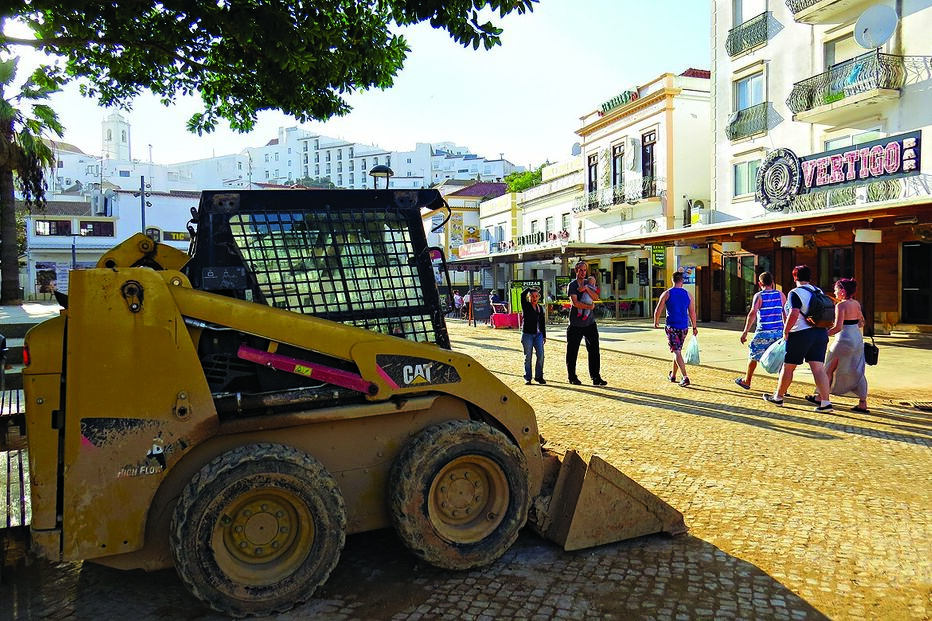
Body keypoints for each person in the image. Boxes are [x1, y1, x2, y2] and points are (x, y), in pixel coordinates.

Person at [763, 265, 833, 412]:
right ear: (810, 277)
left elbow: (794, 313)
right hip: (820, 332)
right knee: (818, 368)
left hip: (801, 333)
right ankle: (826, 402)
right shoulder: (818, 290)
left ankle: (778, 397)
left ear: (795, 277)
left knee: (788, 367)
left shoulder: (795, 293)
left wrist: (786, 330)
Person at [804, 278, 870, 413]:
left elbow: (838, 327)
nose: (834, 292)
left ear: (843, 291)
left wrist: (823, 334)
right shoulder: (856, 303)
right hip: (857, 338)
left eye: (836, 289)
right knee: (858, 370)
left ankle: (820, 397)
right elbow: (862, 322)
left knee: (828, 368)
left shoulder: (841, 306)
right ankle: (863, 402)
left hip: (843, 340)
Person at [735, 271, 786, 390]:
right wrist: (786, 330)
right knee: (780, 357)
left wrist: (745, 331)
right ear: (772, 282)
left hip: (763, 332)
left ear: (759, 283)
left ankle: (747, 381)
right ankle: (783, 387)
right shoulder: (781, 295)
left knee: (753, 355)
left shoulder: (759, 296)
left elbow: (752, 314)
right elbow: (784, 313)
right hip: (778, 332)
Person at [653, 271, 698, 387]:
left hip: (672, 327)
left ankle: (685, 377)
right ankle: (673, 375)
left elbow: (658, 309)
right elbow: (692, 312)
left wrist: (656, 321)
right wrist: (694, 327)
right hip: (684, 327)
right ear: (682, 281)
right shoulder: (688, 295)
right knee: (677, 351)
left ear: (672, 280)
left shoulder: (667, 293)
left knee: (676, 351)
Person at [566, 261, 607, 386]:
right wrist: (589, 307)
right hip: (575, 324)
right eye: (580, 270)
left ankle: (596, 377)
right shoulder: (572, 285)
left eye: (584, 270)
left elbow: (596, 297)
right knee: (572, 351)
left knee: (594, 350)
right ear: (576, 270)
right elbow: (575, 303)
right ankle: (572, 376)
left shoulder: (589, 283)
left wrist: (587, 289)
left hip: (590, 323)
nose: (583, 272)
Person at [520, 288, 547, 385]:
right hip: (527, 334)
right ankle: (528, 377)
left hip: (538, 335)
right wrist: (529, 289)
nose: (534, 298)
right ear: (529, 297)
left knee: (541, 355)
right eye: (532, 296)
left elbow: (542, 322)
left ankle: (539, 376)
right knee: (528, 356)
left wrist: (544, 335)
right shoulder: (526, 306)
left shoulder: (540, 308)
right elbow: (522, 295)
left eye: (536, 296)